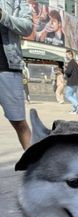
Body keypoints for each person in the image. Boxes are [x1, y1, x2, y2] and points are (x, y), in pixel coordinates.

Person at [0, 0, 33, 150]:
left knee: (19, 122)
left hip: (7, 66)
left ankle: (35, 165)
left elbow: (27, 27)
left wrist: (3, 16)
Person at [64, 49, 78, 114]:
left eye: (66, 55)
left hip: (71, 82)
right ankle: (74, 110)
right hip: (76, 82)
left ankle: (77, 104)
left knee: (67, 95)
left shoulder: (71, 63)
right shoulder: (76, 64)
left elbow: (68, 72)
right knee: (73, 96)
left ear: (70, 54)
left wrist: (65, 70)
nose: (66, 56)